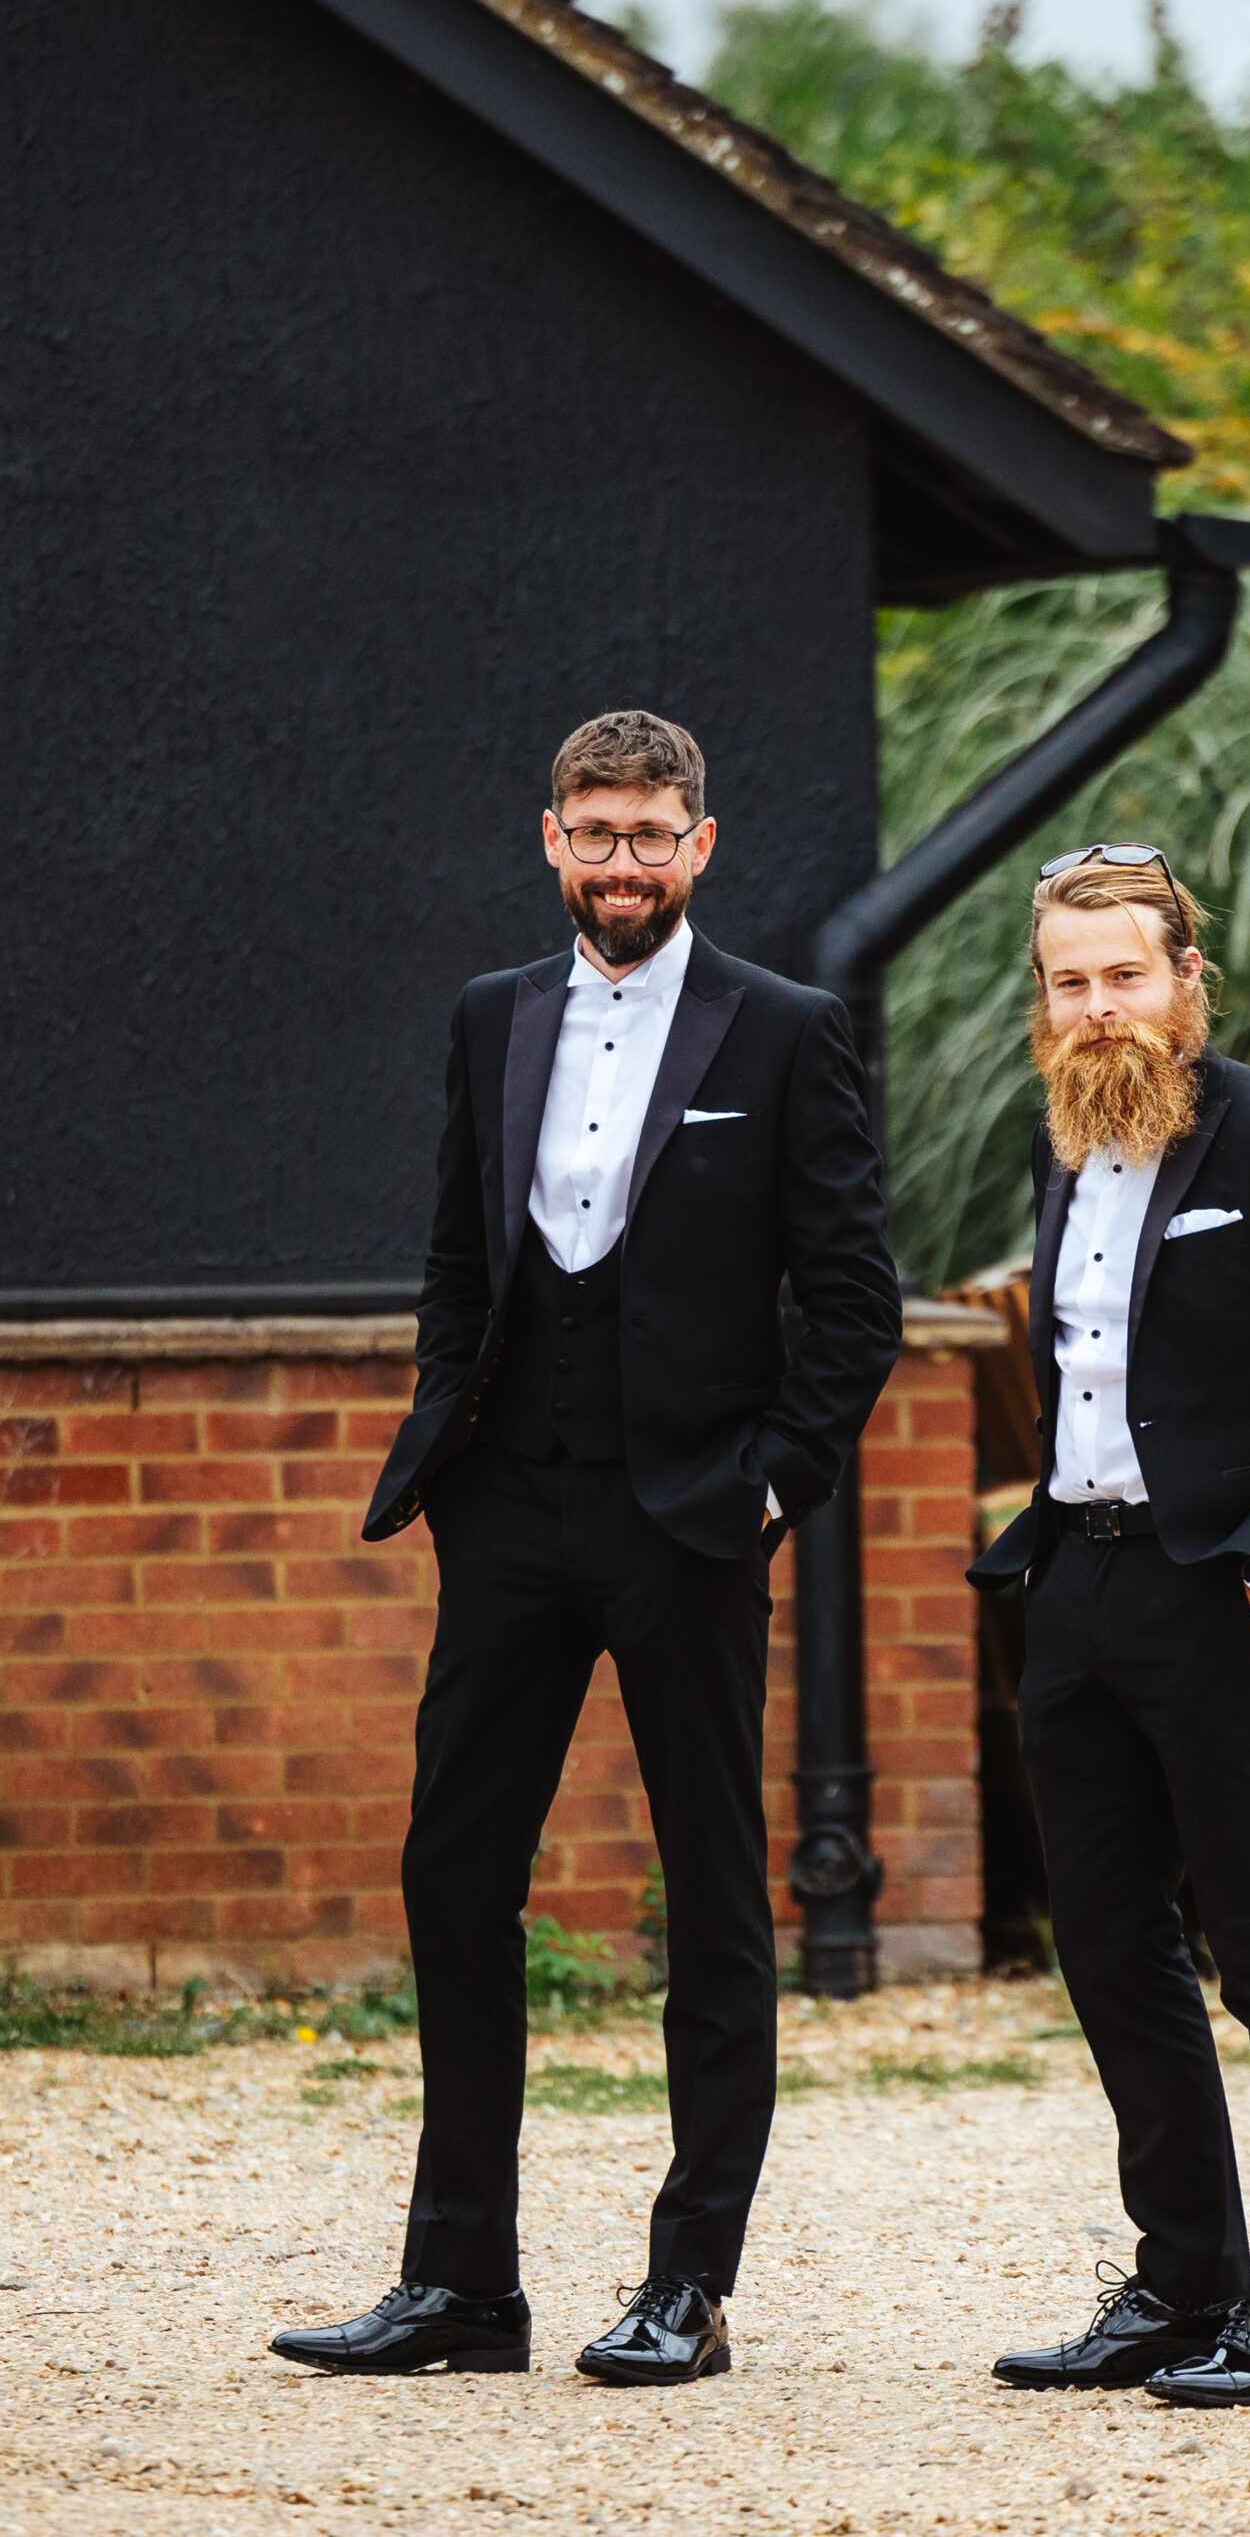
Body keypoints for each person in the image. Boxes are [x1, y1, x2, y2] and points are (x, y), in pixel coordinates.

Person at [269, 711, 901, 2386]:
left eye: (652, 834)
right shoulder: (494, 1020)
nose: (623, 862)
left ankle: (687, 2285)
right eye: (594, 832)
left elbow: (853, 1303)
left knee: (712, 1897)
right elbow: (456, 1258)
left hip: (688, 1517)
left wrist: (771, 1484)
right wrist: (451, 1446)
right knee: (454, 1875)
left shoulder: (784, 1029)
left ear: (702, 846)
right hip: (512, 1514)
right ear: (549, 841)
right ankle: (462, 2285)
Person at [972, 845, 1250, 2408]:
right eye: (1070, 981)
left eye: (1126, 975)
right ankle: (1183, 2286)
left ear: (1186, 981)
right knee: (1106, 1942)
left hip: (1224, 1599)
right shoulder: (1067, 1145)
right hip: (1078, 1589)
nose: (1099, 1007)